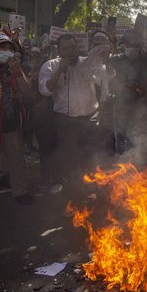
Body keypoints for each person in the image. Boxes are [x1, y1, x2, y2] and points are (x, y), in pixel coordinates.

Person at [38, 34, 112, 193]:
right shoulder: (50, 66)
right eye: (65, 48)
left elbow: (108, 75)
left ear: (77, 47)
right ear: (59, 51)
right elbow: (45, 90)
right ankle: (70, 191)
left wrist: (107, 61)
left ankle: (89, 188)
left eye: (72, 47)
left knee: (89, 155)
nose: (70, 51)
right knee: (68, 157)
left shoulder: (88, 63)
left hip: (89, 119)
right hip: (66, 121)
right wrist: (60, 69)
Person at [0, 33, 33, 204]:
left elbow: (28, 92)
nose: (5, 51)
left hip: (11, 124)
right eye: (1, 48)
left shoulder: (15, 70)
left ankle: (20, 192)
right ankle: (5, 177)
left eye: (8, 48)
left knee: (17, 158)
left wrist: (17, 72)